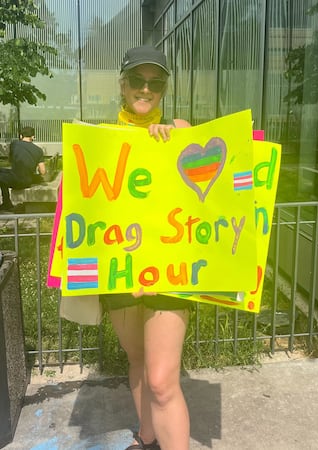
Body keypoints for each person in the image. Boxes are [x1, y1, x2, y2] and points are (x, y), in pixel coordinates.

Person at [102, 45, 192, 450]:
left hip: (169, 272)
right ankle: (146, 437)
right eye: (137, 80)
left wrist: (176, 145)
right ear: (123, 86)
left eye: (155, 83)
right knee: (137, 360)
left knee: (161, 379)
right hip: (121, 269)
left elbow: (208, 196)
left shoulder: (181, 130)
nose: (145, 88)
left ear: (164, 89)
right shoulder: (101, 143)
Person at [0, 126, 46, 211]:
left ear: (21, 136)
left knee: (2, 178)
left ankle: (7, 203)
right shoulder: (39, 150)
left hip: (16, 179)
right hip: (27, 180)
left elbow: (11, 160)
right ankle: (6, 203)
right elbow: (43, 171)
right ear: (33, 137)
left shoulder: (14, 144)